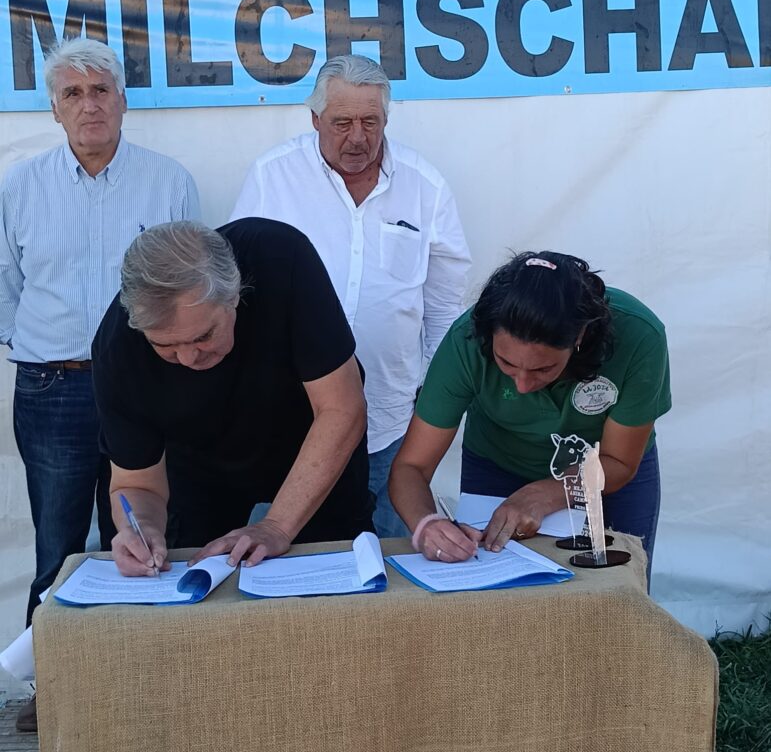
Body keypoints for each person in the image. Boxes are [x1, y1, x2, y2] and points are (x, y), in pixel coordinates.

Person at [0, 38, 199, 732]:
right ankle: (53, 685)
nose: (89, 105)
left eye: (100, 90)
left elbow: (191, 286)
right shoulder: (20, 188)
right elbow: (7, 284)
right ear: (54, 109)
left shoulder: (168, 183)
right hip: (51, 388)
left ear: (123, 100)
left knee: (144, 534)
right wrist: (35, 344)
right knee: (58, 543)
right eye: (73, 94)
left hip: (144, 386)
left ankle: (143, 676)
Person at [229, 55, 471, 538]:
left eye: (370, 122)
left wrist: (430, 386)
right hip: (290, 419)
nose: (358, 137)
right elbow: (237, 290)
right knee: (280, 550)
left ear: (386, 119)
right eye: (342, 123)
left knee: (391, 558)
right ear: (314, 118)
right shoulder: (274, 177)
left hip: (389, 416)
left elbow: (445, 303)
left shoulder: (424, 186)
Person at [91, 218, 372, 578]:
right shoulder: (117, 349)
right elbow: (136, 483)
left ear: (235, 293)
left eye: (203, 336)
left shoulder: (279, 256)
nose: (188, 358)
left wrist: (276, 526)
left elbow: (342, 408)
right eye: (165, 346)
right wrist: (142, 528)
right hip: (198, 470)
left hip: (313, 452)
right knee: (195, 581)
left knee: (331, 580)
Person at [389, 251, 671, 582]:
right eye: (505, 363)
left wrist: (546, 493)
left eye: (543, 368)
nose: (522, 385)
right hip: (498, 463)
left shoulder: (639, 336)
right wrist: (427, 525)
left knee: (616, 588)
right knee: (496, 590)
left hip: (605, 469)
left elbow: (619, 461)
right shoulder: (465, 341)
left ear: (579, 337)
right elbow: (411, 466)